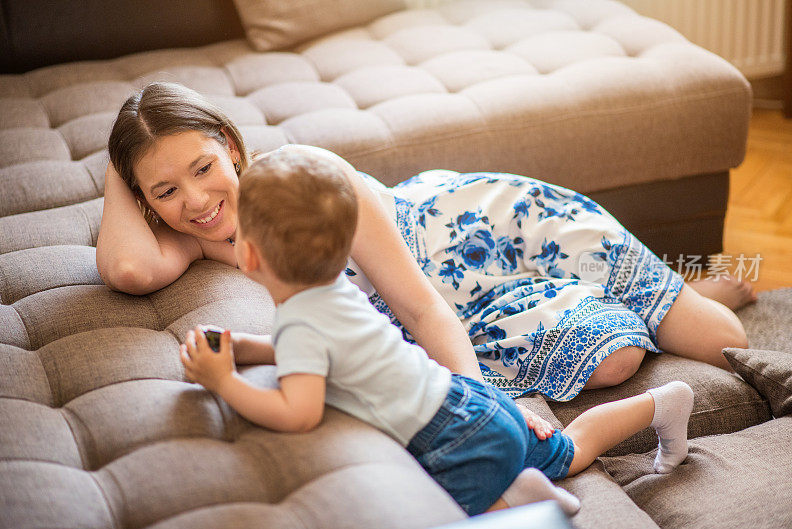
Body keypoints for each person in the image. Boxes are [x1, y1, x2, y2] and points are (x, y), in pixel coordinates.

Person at [97, 82, 752, 410]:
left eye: (203, 168)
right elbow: (128, 267)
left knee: (725, 340)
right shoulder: (192, 235)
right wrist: (121, 159)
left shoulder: (306, 179)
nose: (195, 202)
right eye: (164, 190)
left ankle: (681, 291)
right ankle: (657, 293)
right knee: (617, 359)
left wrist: (484, 411)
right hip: (465, 302)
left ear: (232, 149)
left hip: (495, 229)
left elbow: (419, 310)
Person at [179, 150, 695, 516]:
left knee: (452, 511)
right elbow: (320, 356)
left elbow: (299, 410)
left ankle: (522, 501)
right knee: (571, 448)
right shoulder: (338, 294)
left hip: (452, 436)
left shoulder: (300, 319)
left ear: (246, 256)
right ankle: (660, 405)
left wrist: (223, 382)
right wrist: (245, 348)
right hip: (470, 398)